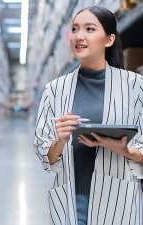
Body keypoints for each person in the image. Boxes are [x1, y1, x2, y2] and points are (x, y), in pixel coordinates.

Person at [34, 6, 143, 225]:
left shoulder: (135, 86)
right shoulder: (55, 90)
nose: (79, 36)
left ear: (109, 39)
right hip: (74, 202)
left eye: (89, 29)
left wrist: (124, 150)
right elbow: (46, 157)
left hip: (120, 200)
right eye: (74, 29)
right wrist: (59, 140)